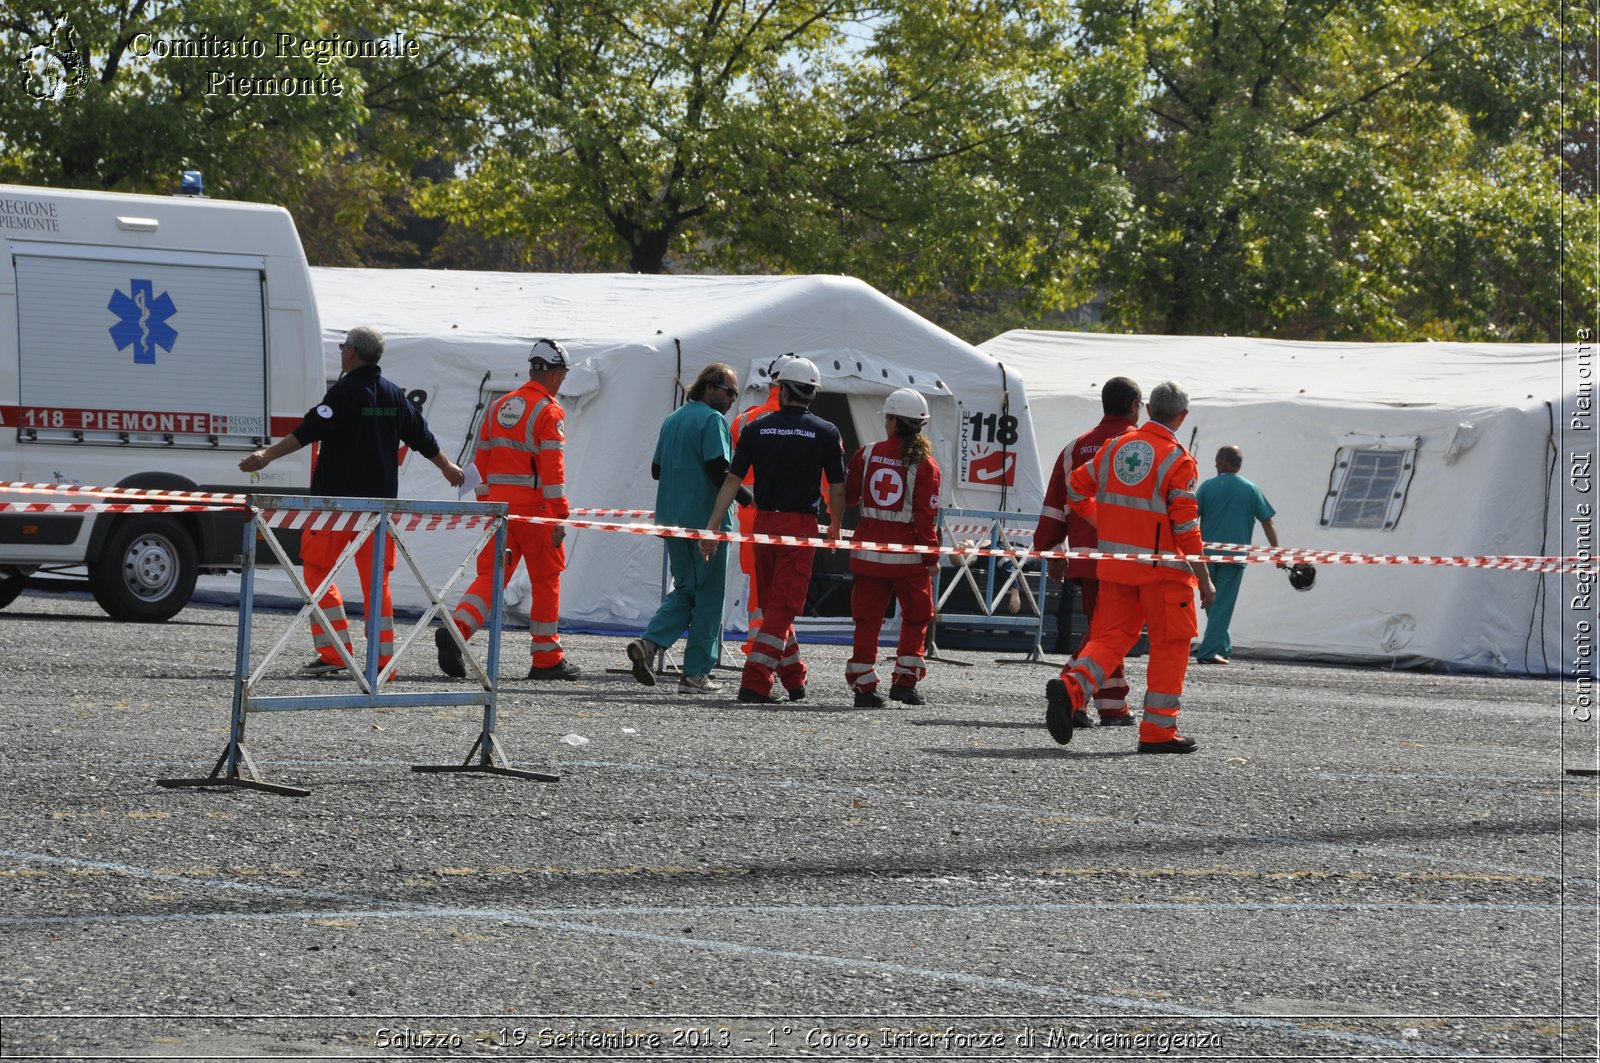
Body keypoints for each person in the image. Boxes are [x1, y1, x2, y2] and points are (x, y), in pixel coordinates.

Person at [239, 326, 464, 675]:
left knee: (316, 573)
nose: (341, 350)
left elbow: (308, 430)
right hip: (379, 511)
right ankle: (383, 663)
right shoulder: (393, 396)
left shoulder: (344, 393)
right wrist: (447, 467)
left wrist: (268, 455)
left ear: (353, 353)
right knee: (378, 584)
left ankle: (334, 652)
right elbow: (421, 435)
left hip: (336, 510)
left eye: (344, 346)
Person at [1044, 380, 1216, 754]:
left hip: (1117, 567)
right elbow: (1186, 527)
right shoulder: (1177, 458)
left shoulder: (1113, 449)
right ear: (1182, 416)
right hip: (1165, 573)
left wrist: (1103, 524)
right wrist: (1204, 577)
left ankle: (1073, 689)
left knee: (1109, 639)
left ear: (1149, 409)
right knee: (1170, 645)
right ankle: (1158, 731)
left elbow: (1075, 489)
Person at [700, 357, 846, 704]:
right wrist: (836, 526)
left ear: (782, 389)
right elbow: (837, 487)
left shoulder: (755, 427)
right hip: (799, 527)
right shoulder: (826, 431)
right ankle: (755, 680)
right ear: (811, 392)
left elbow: (732, 481)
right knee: (782, 608)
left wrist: (712, 526)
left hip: (763, 525)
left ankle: (794, 679)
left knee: (772, 605)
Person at [435, 338, 580, 681]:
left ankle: (456, 631)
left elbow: (479, 462)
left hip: (500, 512)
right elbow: (552, 471)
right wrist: (559, 515)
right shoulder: (549, 411)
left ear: (532, 369)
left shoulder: (498, 407)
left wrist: (488, 506)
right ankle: (546, 658)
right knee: (546, 581)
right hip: (536, 513)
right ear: (556, 373)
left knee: (491, 577)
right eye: (563, 374)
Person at [626, 363, 752, 693]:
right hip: (704, 525)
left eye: (736, 394)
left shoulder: (673, 419)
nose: (732, 400)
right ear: (709, 388)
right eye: (729, 392)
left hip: (671, 520)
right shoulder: (713, 421)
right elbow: (718, 470)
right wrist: (750, 498)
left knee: (686, 589)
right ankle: (693, 671)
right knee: (706, 598)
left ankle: (651, 645)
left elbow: (656, 470)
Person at [1033, 377, 1141, 728]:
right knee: (1107, 633)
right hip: (1129, 558)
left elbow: (1055, 507)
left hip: (1086, 556)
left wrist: (1051, 551)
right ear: (1135, 406)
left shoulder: (1075, 448)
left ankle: (1111, 705)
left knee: (1104, 628)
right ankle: (1070, 689)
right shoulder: (1142, 447)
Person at [844, 388, 942, 708]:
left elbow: (850, 497)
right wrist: (931, 557)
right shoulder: (926, 465)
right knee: (917, 617)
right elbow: (926, 519)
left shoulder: (867, 453)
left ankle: (864, 688)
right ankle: (904, 682)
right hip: (907, 555)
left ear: (892, 421)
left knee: (867, 620)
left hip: (868, 550)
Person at [1193, 445, 1286, 664]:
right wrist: (1277, 554)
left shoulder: (1207, 487)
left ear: (1224, 461)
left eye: (1217, 459)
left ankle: (1219, 648)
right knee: (1222, 604)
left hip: (1206, 556)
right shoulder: (1251, 489)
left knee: (1213, 602)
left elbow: (1189, 518)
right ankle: (1211, 650)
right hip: (1234, 558)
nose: (1215, 464)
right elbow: (1267, 522)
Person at [727, 353, 793, 655]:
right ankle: (772, 649)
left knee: (759, 581)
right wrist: (834, 518)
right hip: (793, 516)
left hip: (750, 514)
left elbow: (728, 473)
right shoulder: (811, 424)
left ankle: (758, 645)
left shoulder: (744, 421)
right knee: (785, 586)